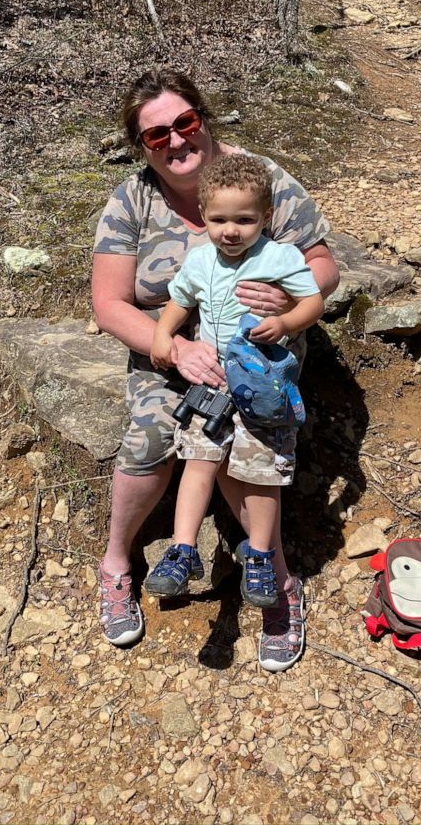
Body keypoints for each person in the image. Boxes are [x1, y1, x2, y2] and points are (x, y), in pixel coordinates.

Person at [92, 68, 339, 672]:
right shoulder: (132, 199)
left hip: (259, 348)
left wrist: (288, 307)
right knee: (151, 436)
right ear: (141, 146)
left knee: (249, 437)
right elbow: (108, 303)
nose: (175, 142)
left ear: (202, 118)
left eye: (184, 123)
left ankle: (274, 576)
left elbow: (322, 265)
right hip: (170, 342)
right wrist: (174, 349)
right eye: (157, 136)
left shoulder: (260, 176)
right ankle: (118, 563)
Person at [146, 153, 324, 612]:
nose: (231, 230)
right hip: (213, 382)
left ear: (264, 218)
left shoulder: (279, 255)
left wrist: (285, 321)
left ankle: (261, 554)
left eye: (244, 220)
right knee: (199, 459)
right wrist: (164, 335)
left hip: (263, 385)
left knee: (261, 472)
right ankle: (184, 550)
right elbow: (180, 301)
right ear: (203, 216)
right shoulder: (202, 260)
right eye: (220, 218)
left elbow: (313, 302)